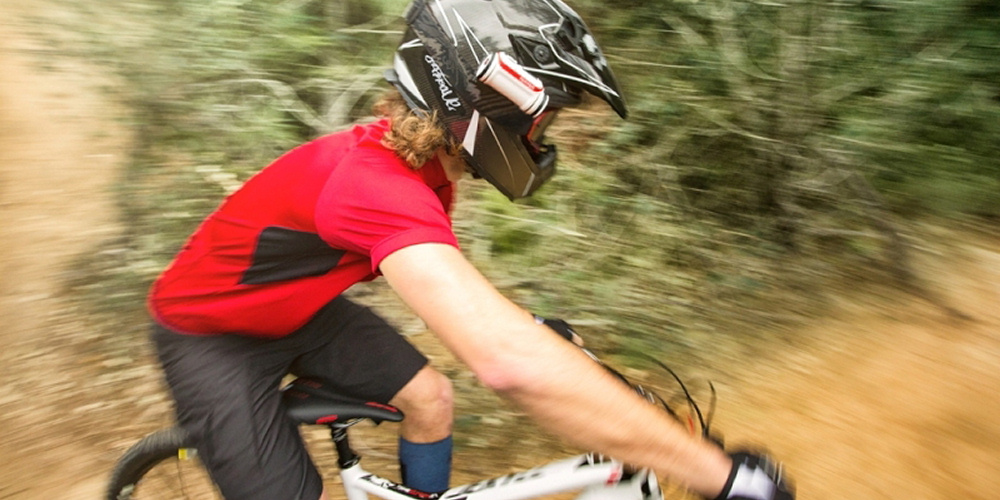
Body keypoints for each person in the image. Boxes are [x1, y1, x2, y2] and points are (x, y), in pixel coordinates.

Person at [147, 1, 795, 499]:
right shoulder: (372, 185)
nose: (544, 141)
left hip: (300, 311)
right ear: (489, 104)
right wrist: (715, 475)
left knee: (430, 399)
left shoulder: (427, 167)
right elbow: (506, 363)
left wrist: (528, 326)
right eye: (544, 121)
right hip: (210, 336)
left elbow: (445, 282)